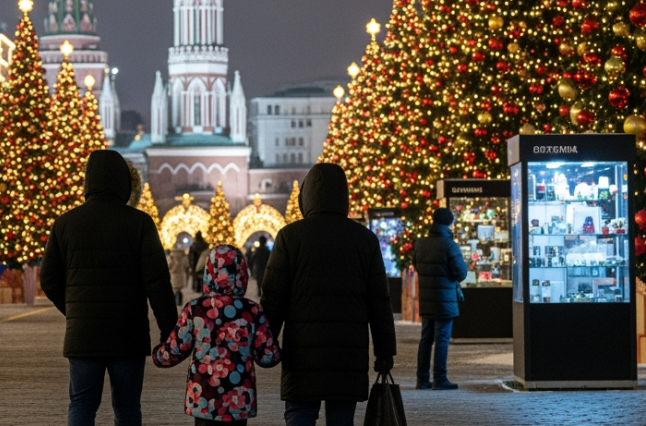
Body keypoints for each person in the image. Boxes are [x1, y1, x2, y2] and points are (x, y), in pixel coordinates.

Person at [41, 150, 178, 426]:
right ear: (125, 183)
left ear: (87, 182)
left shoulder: (65, 223)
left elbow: (48, 279)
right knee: (127, 408)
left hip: (83, 335)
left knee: (81, 404)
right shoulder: (139, 223)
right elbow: (158, 284)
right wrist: (169, 331)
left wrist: (74, 310)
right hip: (128, 335)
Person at [260, 163, 397, 426]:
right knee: (341, 418)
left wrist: (266, 344)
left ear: (305, 196)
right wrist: (385, 351)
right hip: (348, 352)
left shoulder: (290, 236)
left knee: (299, 413)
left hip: (301, 353)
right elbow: (379, 301)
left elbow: (273, 297)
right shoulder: (364, 239)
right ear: (344, 195)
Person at [153, 245, 281, 426]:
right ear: (242, 272)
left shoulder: (196, 309)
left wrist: (158, 355)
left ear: (209, 271)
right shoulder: (251, 311)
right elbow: (268, 356)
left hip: (205, 398)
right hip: (238, 399)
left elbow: (175, 349)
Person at [413, 207, 468, 390]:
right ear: (449, 223)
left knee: (426, 338)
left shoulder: (420, 244)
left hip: (428, 298)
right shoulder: (450, 245)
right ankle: (440, 378)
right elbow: (460, 273)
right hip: (445, 300)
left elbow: (417, 267)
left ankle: (422, 379)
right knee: (442, 338)